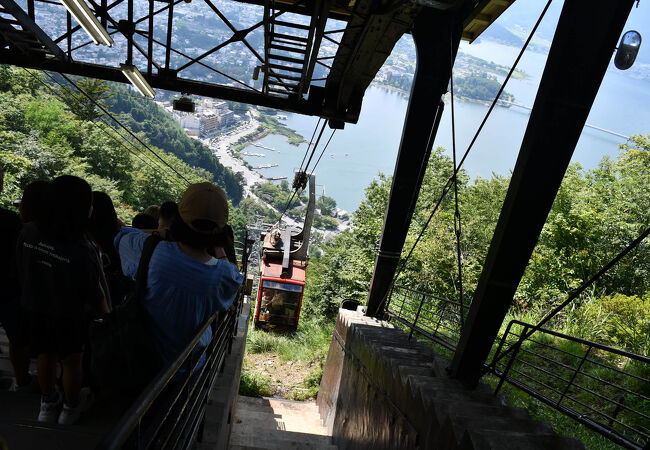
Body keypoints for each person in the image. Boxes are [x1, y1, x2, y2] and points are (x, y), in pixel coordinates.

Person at [115, 182, 243, 367]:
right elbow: (234, 278)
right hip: (189, 370)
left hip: (140, 361)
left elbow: (120, 236)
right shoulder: (222, 275)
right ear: (221, 229)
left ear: (179, 218)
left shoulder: (151, 250)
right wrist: (218, 248)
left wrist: (163, 234)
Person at [16, 175, 109, 425]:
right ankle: (70, 408)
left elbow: (22, 269)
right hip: (70, 313)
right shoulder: (81, 246)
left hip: (35, 306)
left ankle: (47, 404)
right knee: (72, 360)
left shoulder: (29, 231)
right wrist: (107, 317)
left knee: (45, 355)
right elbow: (94, 290)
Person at [0, 167, 30, 391]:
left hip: (10, 287)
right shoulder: (11, 221)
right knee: (17, 340)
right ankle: (21, 381)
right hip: (9, 288)